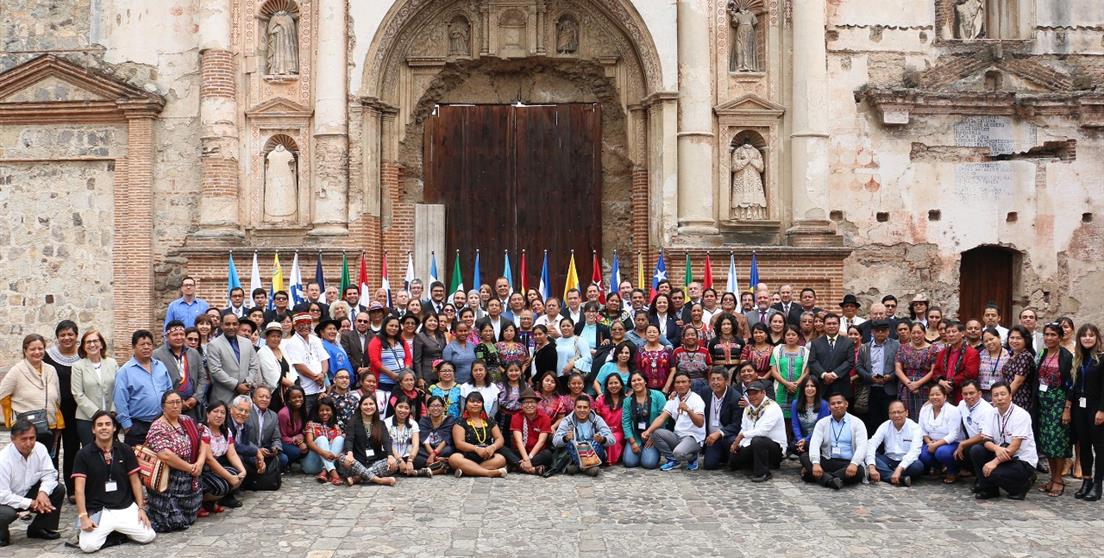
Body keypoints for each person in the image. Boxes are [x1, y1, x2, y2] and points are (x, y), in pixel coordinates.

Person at [71, 411, 156, 552]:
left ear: (114, 428)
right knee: (87, 546)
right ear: (93, 429)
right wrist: (83, 516)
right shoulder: (83, 454)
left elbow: (135, 482)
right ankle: (115, 533)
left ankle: (116, 532)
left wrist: (141, 509)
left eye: (107, 424)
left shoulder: (125, 450)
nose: (104, 428)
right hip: (99, 510)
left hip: (124, 506)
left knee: (148, 536)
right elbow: (79, 490)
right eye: (99, 425)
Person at [144, 391, 205, 532]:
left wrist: (200, 462)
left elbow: (204, 438)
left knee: (189, 519)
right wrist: (189, 468)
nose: (176, 405)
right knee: (173, 523)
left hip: (190, 478)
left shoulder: (187, 420)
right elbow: (165, 454)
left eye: (178, 402)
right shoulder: (158, 426)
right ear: (163, 406)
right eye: (171, 403)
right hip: (168, 480)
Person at [0, 419, 64, 545]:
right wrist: (31, 503)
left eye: (32, 438)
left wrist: (43, 493)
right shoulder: (3, 459)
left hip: (26, 491)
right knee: (7, 513)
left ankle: (39, 528)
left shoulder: (40, 448)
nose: (29, 443)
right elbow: (2, 495)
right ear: (13, 439)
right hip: (4, 500)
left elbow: (50, 473)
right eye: (23, 439)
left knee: (58, 489)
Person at [971, 382, 1038, 500]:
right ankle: (989, 490)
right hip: (1001, 453)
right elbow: (986, 440)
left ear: (1010, 396)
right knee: (976, 450)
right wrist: (996, 448)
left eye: (1003, 394)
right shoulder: (990, 414)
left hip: (1021, 460)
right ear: (992, 398)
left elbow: (1015, 446)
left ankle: (1021, 487)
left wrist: (994, 462)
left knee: (993, 472)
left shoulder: (1021, 415)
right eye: (995, 395)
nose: (1000, 398)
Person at [0, 334, 62, 457]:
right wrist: (12, 421)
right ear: (25, 351)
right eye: (32, 349)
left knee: (49, 464)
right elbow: (3, 395)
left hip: (50, 426)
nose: (37, 352)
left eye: (40, 348)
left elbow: (57, 398)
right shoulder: (17, 371)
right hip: (26, 430)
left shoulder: (51, 370)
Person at [113, 331, 173, 446]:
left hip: (162, 423)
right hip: (137, 426)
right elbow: (120, 401)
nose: (146, 347)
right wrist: (127, 427)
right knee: (138, 462)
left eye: (149, 344)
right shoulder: (125, 371)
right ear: (133, 347)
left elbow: (169, 392)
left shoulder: (160, 366)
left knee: (162, 461)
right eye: (142, 344)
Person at [799, 393, 868, 489]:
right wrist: (815, 463)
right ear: (829, 407)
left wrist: (854, 463)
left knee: (859, 471)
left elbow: (862, 446)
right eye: (833, 404)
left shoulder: (857, 423)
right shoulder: (822, 423)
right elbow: (814, 443)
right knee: (804, 456)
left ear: (846, 404)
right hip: (828, 460)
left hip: (847, 462)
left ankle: (823, 477)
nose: (836, 406)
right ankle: (832, 480)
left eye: (839, 403)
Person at [1036, 322, 1073, 497]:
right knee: (1047, 443)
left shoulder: (1065, 356)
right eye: (1047, 334)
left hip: (1059, 402)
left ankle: (1058, 480)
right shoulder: (1042, 353)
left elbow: (1070, 385)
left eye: (1053, 335)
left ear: (1059, 337)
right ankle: (1052, 477)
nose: (1049, 338)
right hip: (1044, 404)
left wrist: (1067, 408)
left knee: (1058, 442)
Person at [643, 373, 706, 471]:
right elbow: (661, 418)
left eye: (684, 382)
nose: (681, 385)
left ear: (689, 383)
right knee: (654, 433)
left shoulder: (696, 399)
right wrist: (648, 431)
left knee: (678, 453)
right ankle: (673, 460)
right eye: (678, 382)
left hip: (693, 437)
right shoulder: (673, 399)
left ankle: (693, 457)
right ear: (674, 385)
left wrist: (688, 410)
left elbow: (700, 423)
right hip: (678, 436)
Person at [727, 379, 787, 481]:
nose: (752, 397)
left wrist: (741, 436)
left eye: (755, 393)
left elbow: (763, 431)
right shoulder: (748, 408)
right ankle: (755, 462)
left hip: (774, 448)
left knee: (758, 440)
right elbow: (744, 428)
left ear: (763, 392)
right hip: (752, 444)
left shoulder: (772, 407)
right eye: (750, 394)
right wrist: (738, 444)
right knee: (733, 461)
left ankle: (763, 473)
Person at [1071, 323, 1103, 500]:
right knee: (1083, 445)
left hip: (1096, 408)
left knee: (1099, 447)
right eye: (1084, 335)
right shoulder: (1079, 359)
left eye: (1091, 335)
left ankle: (1098, 484)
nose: (1087, 338)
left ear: (1097, 337)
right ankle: (1086, 480)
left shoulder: (1102, 358)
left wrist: (1102, 410)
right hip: (1079, 407)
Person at [207, 313, 261, 415]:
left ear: (238, 325)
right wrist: (236, 386)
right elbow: (215, 370)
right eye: (227, 324)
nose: (231, 327)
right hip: (223, 397)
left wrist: (247, 383)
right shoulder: (214, 345)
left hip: (245, 394)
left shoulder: (247, 343)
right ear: (221, 325)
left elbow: (254, 365)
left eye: (234, 324)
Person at [71, 330, 119, 448]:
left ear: (101, 344)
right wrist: (97, 414)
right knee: (91, 453)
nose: (92, 344)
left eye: (95, 341)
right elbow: (78, 393)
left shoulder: (112, 363)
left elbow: (119, 389)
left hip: (110, 417)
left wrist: (112, 412)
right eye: (88, 342)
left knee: (110, 451)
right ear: (83, 346)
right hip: (87, 419)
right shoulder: (78, 366)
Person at [153, 320, 207, 423]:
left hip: (192, 405)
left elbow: (202, 377)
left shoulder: (193, 353)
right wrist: (178, 401)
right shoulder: (157, 355)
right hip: (170, 405)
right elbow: (157, 383)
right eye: (175, 335)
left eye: (182, 334)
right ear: (167, 336)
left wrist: (196, 398)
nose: (179, 337)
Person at [198, 402, 246, 516]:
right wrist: (229, 477)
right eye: (215, 411)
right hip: (202, 470)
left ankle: (210, 502)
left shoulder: (225, 431)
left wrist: (243, 471)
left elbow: (232, 453)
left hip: (215, 468)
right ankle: (199, 502)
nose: (219, 415)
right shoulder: (203, 430)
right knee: (222, 486)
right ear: (208, 414)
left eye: (222, 413)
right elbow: (209, 459)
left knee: (238, 474)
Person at [447, 392, 509, 478]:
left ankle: (467, 470)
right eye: (472, 401)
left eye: (479, 402)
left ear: (482, 404)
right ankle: (488, 473)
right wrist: (476, 449)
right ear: (466, 404)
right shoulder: (460, 422)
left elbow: (500, 439)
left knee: (501, 459)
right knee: (454, 458)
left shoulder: (489, 421)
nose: (475, 404)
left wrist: (493, 447)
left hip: (487, 455)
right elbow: (459, 443)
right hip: (468, 456)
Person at [338, 397, 398, 486]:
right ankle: (378, 480)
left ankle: (358, 478)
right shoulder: (353, 422)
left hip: (374, 462)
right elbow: (349, 439)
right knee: (343, 458)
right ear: (360, 407)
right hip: (356, 462)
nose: (368, 407)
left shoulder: (380, 424)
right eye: (365, 404)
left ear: (376, 406)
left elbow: (386, 441)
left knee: (395, 463)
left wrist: (390, 456)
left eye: (371, 404)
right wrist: (350, 453)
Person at [865, 400, 924, 487]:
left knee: (918, 466)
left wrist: (899, 469)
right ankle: (899, 478)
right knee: (869, 457)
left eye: (899, 412)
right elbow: (872, 444)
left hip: (907, 462)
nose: (896, 415)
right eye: (893, 413)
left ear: (906, 413)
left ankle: (887, 475)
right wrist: (872, 467)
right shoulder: (885, 426)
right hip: (888, 460)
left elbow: (914, 452)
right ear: (889, 415)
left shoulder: (915, 428)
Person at [856, 319, 900, 434]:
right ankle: (875, 448)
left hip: (889, 388)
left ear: (888, 332)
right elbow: (859, 366)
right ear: (872, 332)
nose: (880, 333)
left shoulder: (896, 345)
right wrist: (869, 377)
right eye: (877, 331)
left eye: (883, 330)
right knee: (873, 419)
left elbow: (901, 367)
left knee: (889, 419)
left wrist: (890, 376)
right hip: (871, 388)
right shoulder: (864, 347)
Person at [553, 395, 616, 476]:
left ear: (590, 409)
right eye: (579, 407)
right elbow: (555, 442)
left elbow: (612, 440)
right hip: (575, 453)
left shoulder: (597, 419)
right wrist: (565, 438)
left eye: (585, 407)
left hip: (593, 452)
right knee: (569, 443)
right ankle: (587, 468)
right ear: (574, 408)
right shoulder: (567, 420)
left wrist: (602, 439)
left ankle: (579, 468)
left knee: (597, 442)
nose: (582, 410)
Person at [283, 312, 329, 416]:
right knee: (307, 419)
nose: (305, 327)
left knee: (321, 417)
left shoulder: (316, 339)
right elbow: (299, 366)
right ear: (295, 326)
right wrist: (316, 378)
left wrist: (323, 374)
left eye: (308, 324)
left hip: (321, 388)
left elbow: (324, 359)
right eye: (301, 325)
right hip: (306, 391)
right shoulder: (292, 342)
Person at [697, 367, 742, 470]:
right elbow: (693, 401)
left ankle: (730, 457)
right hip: (711, 439)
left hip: (727, 436)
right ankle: (720, 456)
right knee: (709, 465)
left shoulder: (735, 397)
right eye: (712, 379)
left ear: (726, 381)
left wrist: (719, 433)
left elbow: (736, 425)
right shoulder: (705, 392)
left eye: (718, 379)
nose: (715, 382)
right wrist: (675, 395)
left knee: (733, 464)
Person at [917, 384, 962, 483]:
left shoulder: (953, 410)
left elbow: (954, 434)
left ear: (945, 396)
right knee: (921, 454)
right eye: (932, 395)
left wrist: (936, 445)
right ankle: (937, 467)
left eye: (938, 394)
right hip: (931, 441)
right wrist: (928, 442)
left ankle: (952, 471)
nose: (934, 397)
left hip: (951, 443)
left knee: (942, 452)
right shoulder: (925, 409)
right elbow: (921, 429)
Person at [954, 380, 994, 484]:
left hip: (988, 443)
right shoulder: (962, 404)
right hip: (971, 442)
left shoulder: (987, 409)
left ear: (979, 393)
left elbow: (983, 435)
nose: (968, 396)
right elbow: (952, 414)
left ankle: (982, 480)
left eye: (971, 393)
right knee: (955, 453)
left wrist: (963, 443)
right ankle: (973, 472)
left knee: (973, 450)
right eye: (965, 394)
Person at [808, 313, 856, 401]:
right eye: (829, 324)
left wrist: (834, 375)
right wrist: (824, 375)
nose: (831, 326)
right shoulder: (815, 343)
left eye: (834, 323)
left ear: (839, 325)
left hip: (841, 386)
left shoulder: (848, 342)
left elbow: (850, 362)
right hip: (822, 387)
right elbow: (812, 361)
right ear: (824, 325)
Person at [895, 322, 937, 422]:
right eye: (913, 333)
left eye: (919, 332)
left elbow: (933, 370)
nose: (916, 335)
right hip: (906, 386)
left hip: (925, 386)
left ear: (924, 333)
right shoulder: (903, 348)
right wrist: (909, 384)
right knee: (906, 415)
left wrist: (917, 384)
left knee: (924, 415)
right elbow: (898, 368)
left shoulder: (932, 349)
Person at [931, 321, 980, 404]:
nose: (950, 335)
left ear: (962, 333)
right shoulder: (942, 353)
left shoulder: (972, 353)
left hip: (963, 393)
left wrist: (950, 383)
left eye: (954, 331)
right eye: (948, 332)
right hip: (944, 393)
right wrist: (941, 381)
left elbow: (970, 373)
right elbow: (936, 371)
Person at [510, 387, 553, 475]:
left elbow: (541, 441)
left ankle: (518, 467)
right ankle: (533, 469)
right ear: (522, 405)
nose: (529, 405)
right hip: (520, 452)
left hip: (536, 454)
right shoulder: (516, 417)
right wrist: (525, 458)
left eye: (532, 402)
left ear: (537, 404)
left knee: (548, 454)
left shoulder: (545, 418)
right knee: (503, 449)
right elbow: (518, 441)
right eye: (526, 402)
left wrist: (529, 458)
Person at [302, 397, 346, 484]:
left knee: (340, 439)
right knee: (322, 439)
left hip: (330, 462)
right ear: (317, 412)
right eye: (321, 410)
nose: (325, 413)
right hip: (313, 463)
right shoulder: (311, 424)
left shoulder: (336, 426)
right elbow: (309, 443)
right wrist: (323, 453)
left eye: (328, 410)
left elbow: (338, 447)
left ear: (332, 411)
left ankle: (325, 471)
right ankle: (334, 474)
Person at [771, 325, 809, 421]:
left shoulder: (805, 351)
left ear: (798, 337)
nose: (791, 337)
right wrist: (787, 384)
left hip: (799, 389)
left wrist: (796, 384)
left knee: (798, 417)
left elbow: (807, 371)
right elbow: (773, 371)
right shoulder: (777, 350)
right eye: (788, 335)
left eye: (793, 334)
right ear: (784, 337)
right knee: (781, 418)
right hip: (781, 389)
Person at [247, 386, 284, 484]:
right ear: (253, 398)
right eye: (261, 396)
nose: (264, 399)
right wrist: (256, 450)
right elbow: (241, 438)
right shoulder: (246, 412)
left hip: (265, 451)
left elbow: (276, 438)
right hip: (248, 449)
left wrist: (275, 448)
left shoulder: (273, 416)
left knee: (283, 459)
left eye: (267, 397)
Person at [255, 322, 292, 412]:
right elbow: (272, 375)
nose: (276, 339)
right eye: (273, 336)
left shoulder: (282, 350)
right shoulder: (263, 352)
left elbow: (291, 369)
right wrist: (293, 386)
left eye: (278, 336)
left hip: (286, 392)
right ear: (267, 338)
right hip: (273, 393)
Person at [791, 376, 830, 458]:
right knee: (793, 446)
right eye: (807, 386)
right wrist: (800, 440)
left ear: (817, 388)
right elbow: (795, 425)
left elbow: (821, 428)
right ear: (803, 388)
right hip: (801, 439)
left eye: (812, 386)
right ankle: (806, 457)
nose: (809, 388)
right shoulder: (795, 403)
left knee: (810, 446)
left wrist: (806, 440)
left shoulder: (824, 404)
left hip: (818, 439)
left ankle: (805, 458)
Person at [415, 396, 456, 473]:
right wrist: (432, 454)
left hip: (442, 449)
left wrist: (433, 455)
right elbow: (425, 441)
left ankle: (431, 466)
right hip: (428, 450)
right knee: (417, 451)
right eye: (432, 406)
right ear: (428, 409)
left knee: (449, 450)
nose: (435, 408)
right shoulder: (424, 421)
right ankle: (442, 464)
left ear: (444, 408)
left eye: (438, 406)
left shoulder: (449, 419)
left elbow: (445, 440)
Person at [593, 374, 626, 465]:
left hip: (620, 431)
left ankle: (609, 460)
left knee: (612, 439)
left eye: (616, 382)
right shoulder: (600, 400)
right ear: (606, 386)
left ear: (621, 385)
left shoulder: (627, 400)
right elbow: (596, 419)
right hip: (603, 430)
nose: (613, 385)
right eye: (610, 383)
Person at [671, 325, 712, 392]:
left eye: (693, 335)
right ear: (683, 338)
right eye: (687, 335)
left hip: (702, 384)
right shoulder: (677, 351)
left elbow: (710, 369)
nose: (690, 337)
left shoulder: (705, 351)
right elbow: (673, 370)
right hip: (682, 383)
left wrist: (710, 385)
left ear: (697, 337)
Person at [277, 385, 308, 470]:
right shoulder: (283, 414)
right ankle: (285, 463)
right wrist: (297, 441)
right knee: (297, 452)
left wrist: (301, 438)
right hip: (283, 442)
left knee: (308, 447)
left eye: (300, 397)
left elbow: (302, 431)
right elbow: (281, 437)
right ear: (289, 400)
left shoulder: (302, 410)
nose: (298, 399)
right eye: (294, 397)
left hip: (296, 440)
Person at [636, 324, 673, 392]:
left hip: (664, 389)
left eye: (654, 332)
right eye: (649, 332)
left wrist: (666, 387)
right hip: (645, 389)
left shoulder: (667, 350)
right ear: (645, 335)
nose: (652, 334)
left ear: (659, 335)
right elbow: (637, 370)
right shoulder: (640, 351)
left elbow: (673, 369)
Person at [413, 313, 447, 385]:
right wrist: (420, 377)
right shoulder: (419, 337)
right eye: (430, 320)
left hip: (441, 372)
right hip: (427, 373)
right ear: (424, 322)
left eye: (435, 321)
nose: (433, 323)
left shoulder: (441, 335)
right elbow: (417, 360)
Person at [978, 327, 1010, 400]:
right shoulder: (980, 355)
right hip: (982, 393)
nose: (989, 342)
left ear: (999, 338)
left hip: (1001, 394)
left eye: (991, 339)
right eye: (986, 341)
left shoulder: (1008, 355)